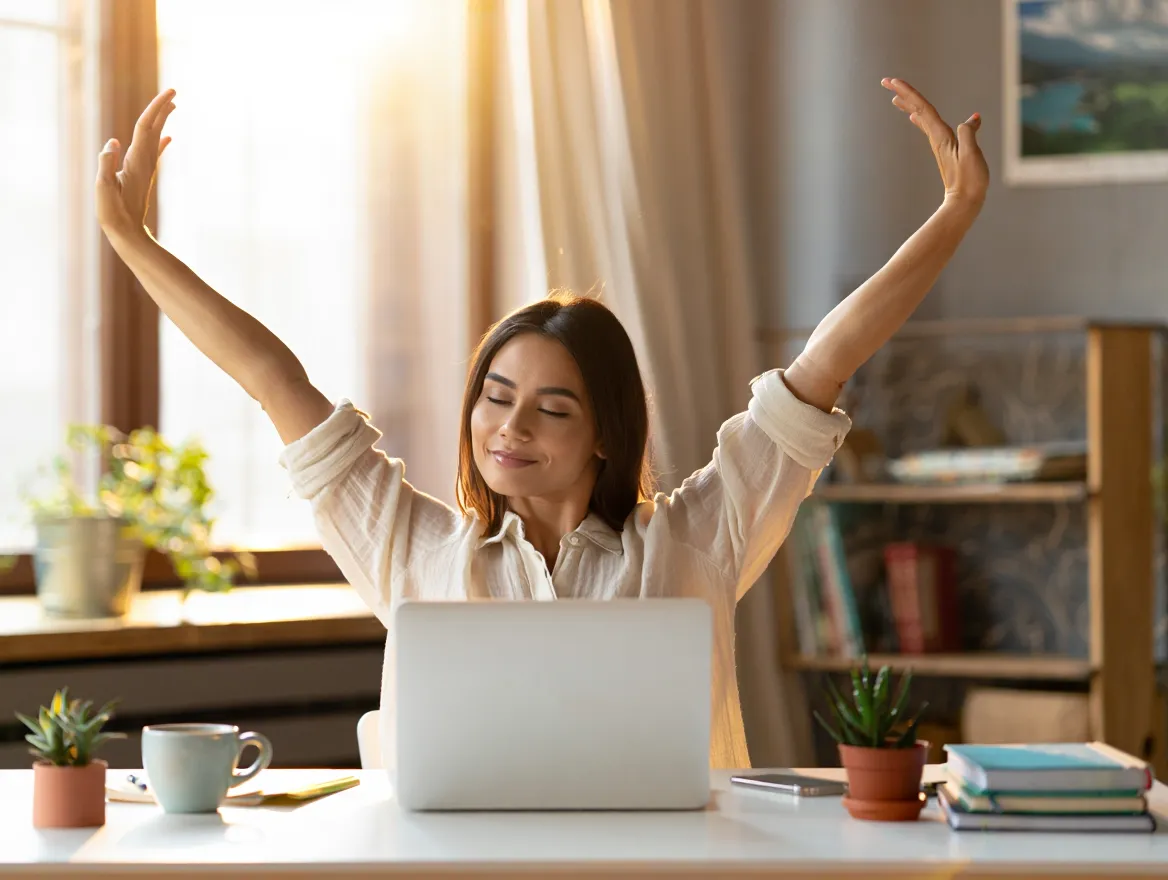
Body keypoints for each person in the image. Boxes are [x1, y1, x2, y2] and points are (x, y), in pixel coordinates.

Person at [94, 77, 988, 770]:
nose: (508, 427)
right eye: (495, 395)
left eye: (552, 407)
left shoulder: (696, 539)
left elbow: (823, 366)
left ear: (605, 431)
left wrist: (952, 219)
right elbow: (269, 376)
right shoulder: (410, 547)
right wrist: (134, 242)